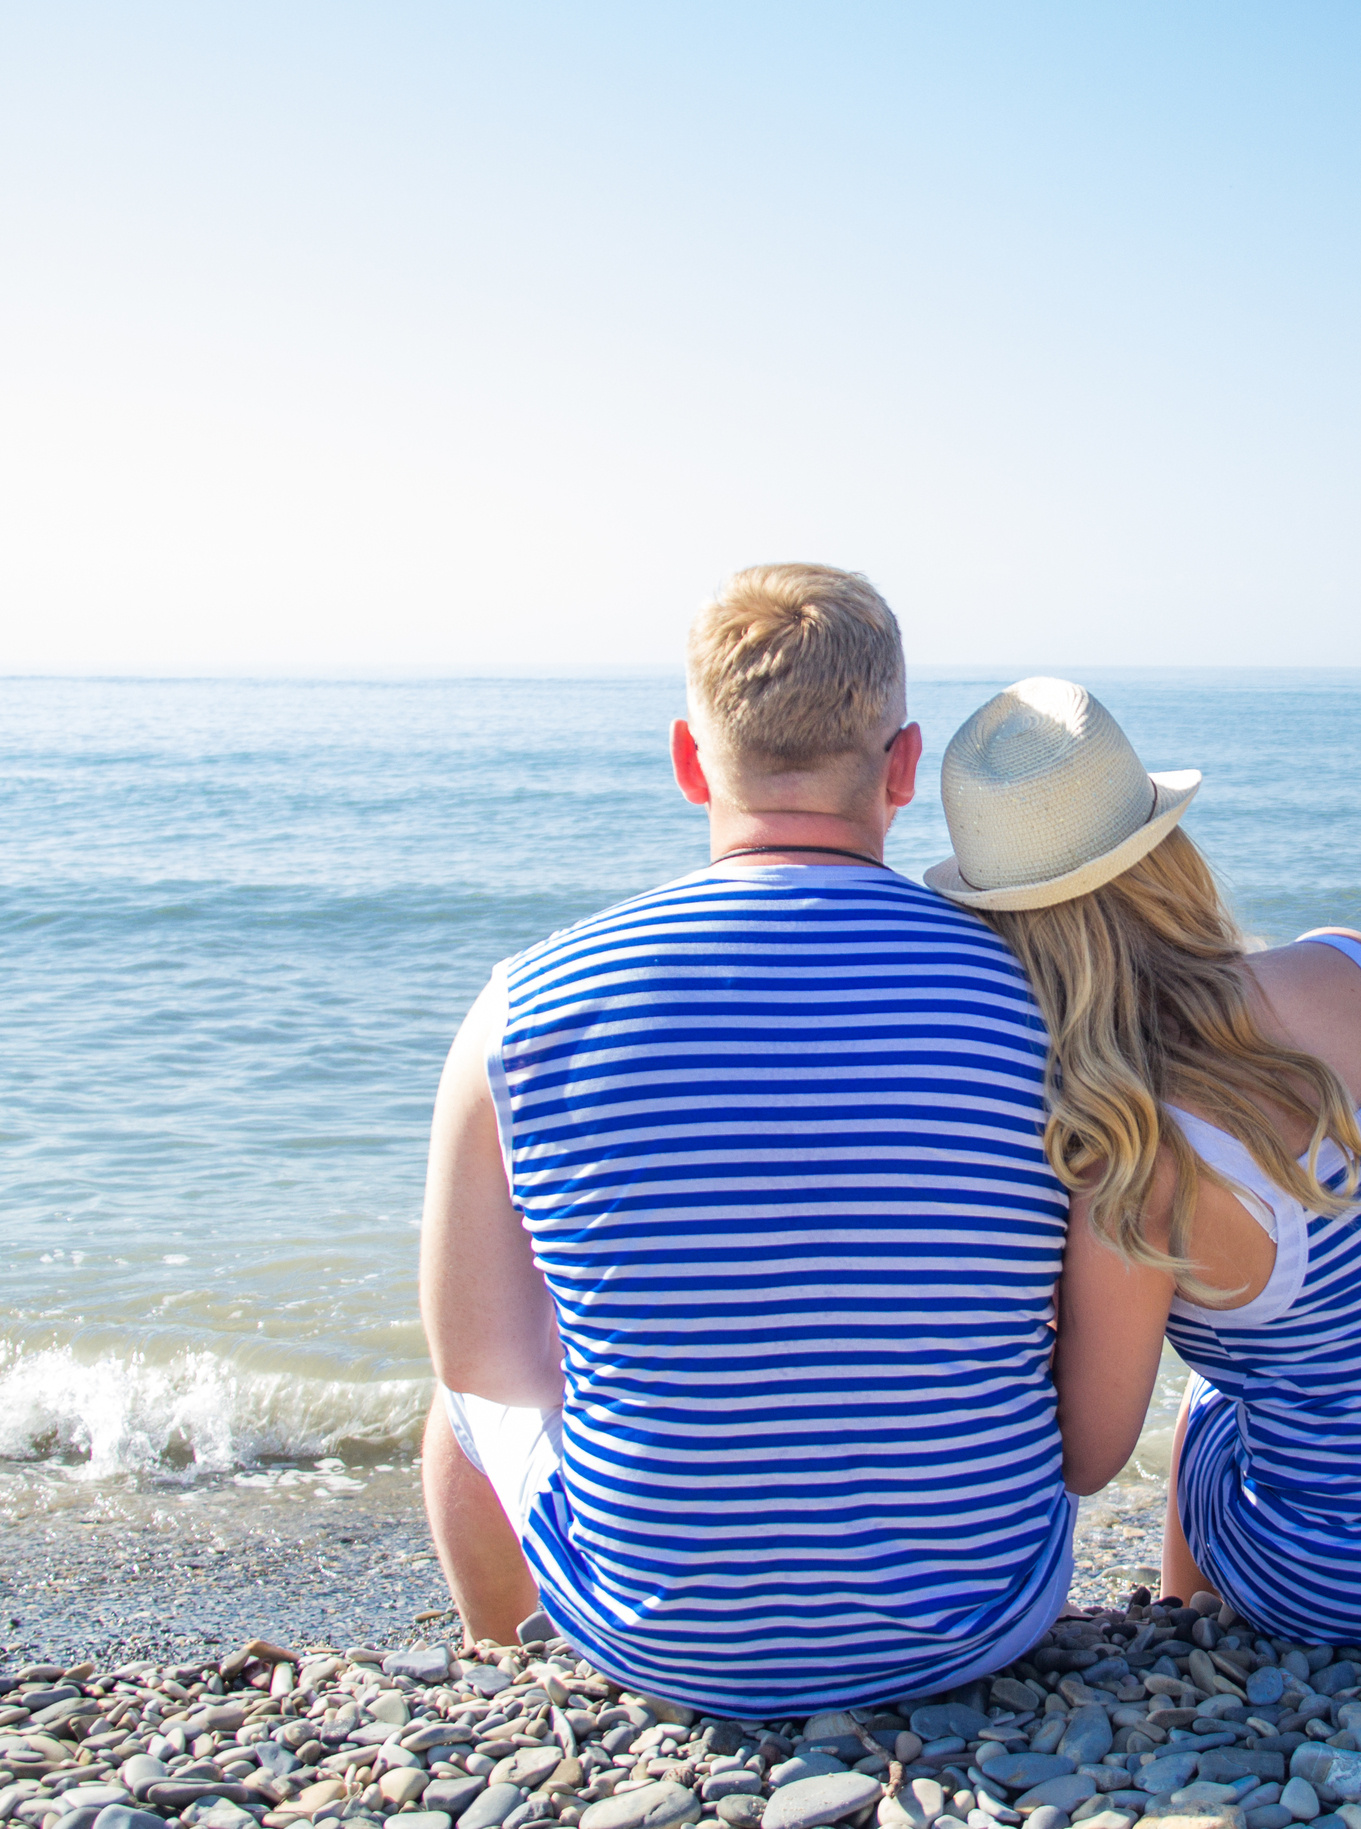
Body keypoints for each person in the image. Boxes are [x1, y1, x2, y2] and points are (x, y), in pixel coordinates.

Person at [416, 566, 1073, 1715]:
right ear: (904, 765)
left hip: (662, 1640)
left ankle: (504, 1667)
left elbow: (479, 1357)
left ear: (687, 760)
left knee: (458, 1405)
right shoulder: (1036, 989)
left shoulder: (524, 1002)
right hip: (981, 1615)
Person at [923, 677, 1361, 1642]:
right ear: (1164, 848)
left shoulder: (1137, 1156)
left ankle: (1183, 1625)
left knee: (1207, 1411)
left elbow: (1089, 1455)